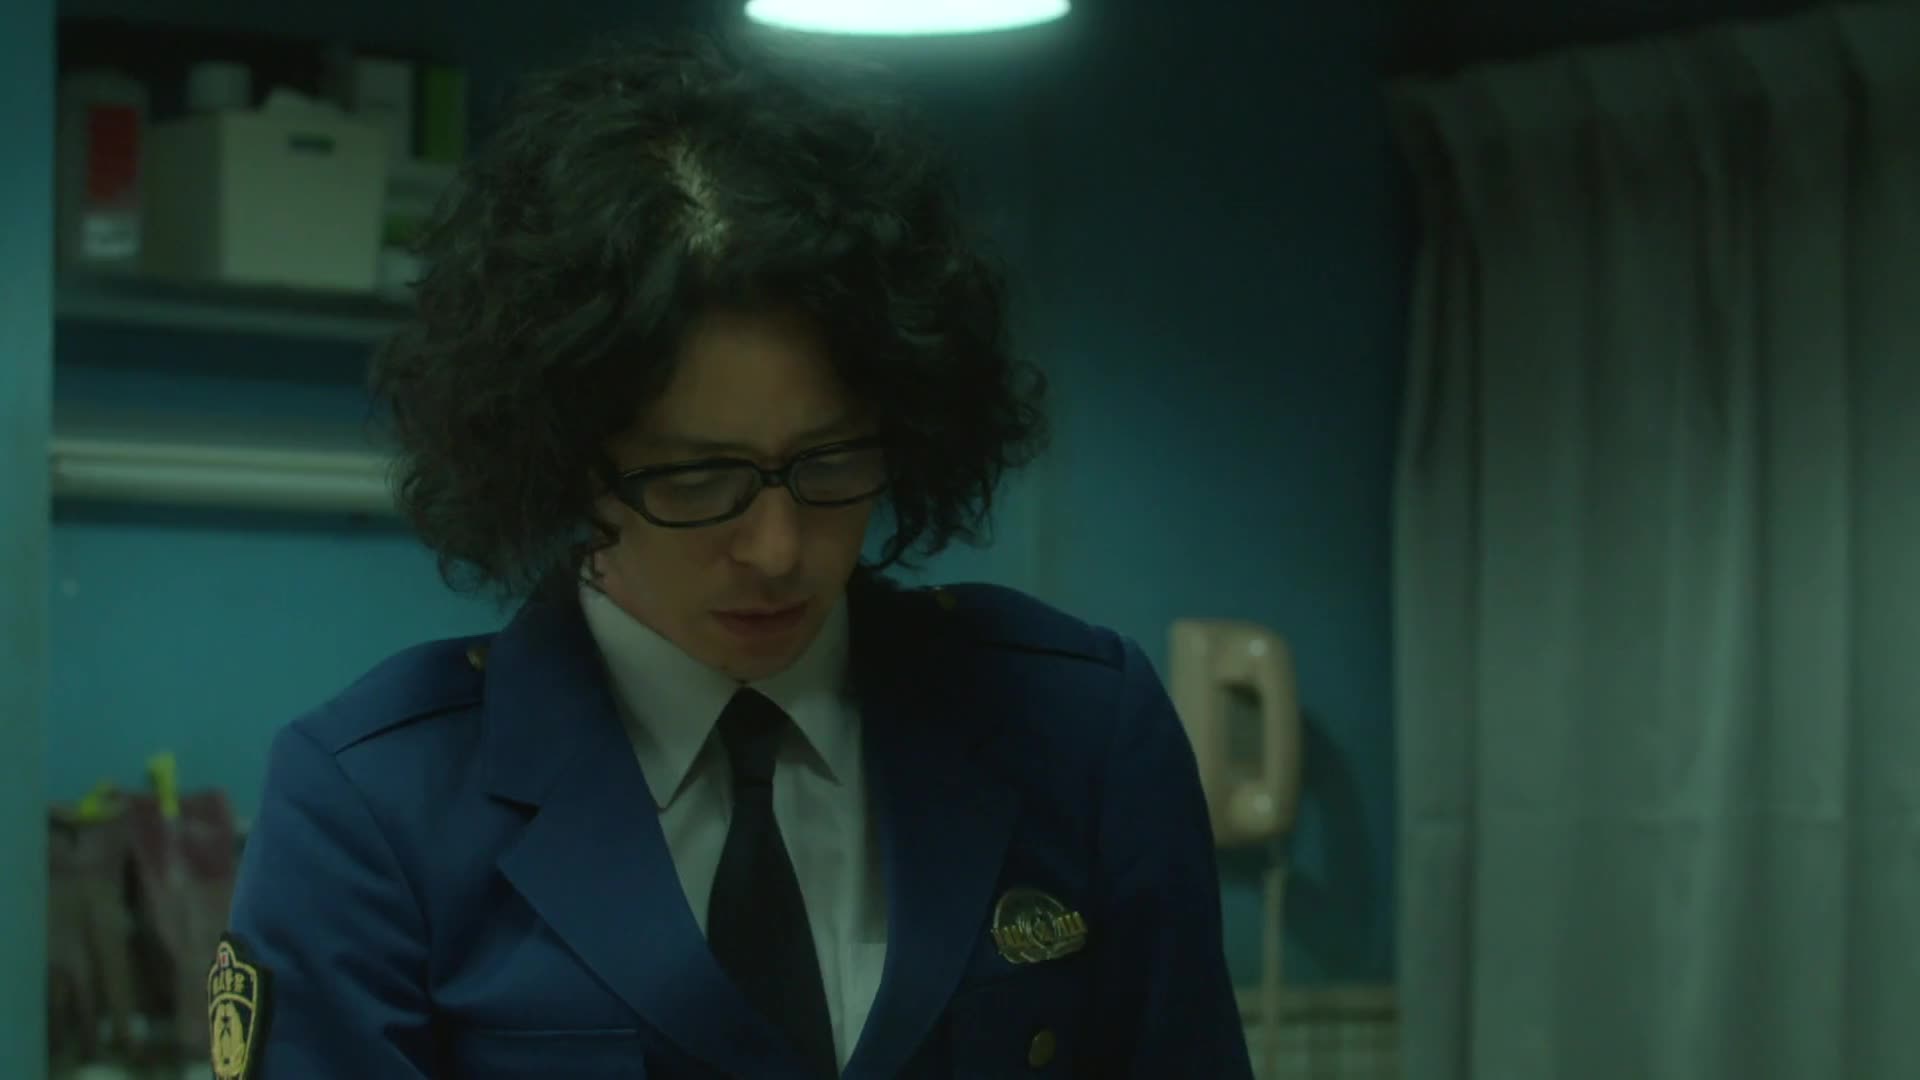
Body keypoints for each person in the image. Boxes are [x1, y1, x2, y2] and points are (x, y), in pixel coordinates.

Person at [215, 30, 1252, 1080]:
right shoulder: (377, 810)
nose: (776, 548)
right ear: (567, 462)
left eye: (830, 462)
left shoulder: (1077, 733)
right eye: (695, 479)